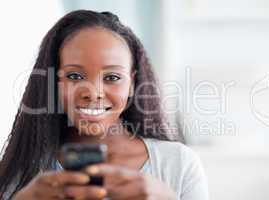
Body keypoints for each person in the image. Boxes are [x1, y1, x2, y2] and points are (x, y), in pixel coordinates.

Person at [0, 10, 208, 200]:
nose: (93, 93)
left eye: (112, 77)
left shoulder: (178, 164)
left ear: (132, 84)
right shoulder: (23, 166)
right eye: (74, 75)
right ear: (55, 83)